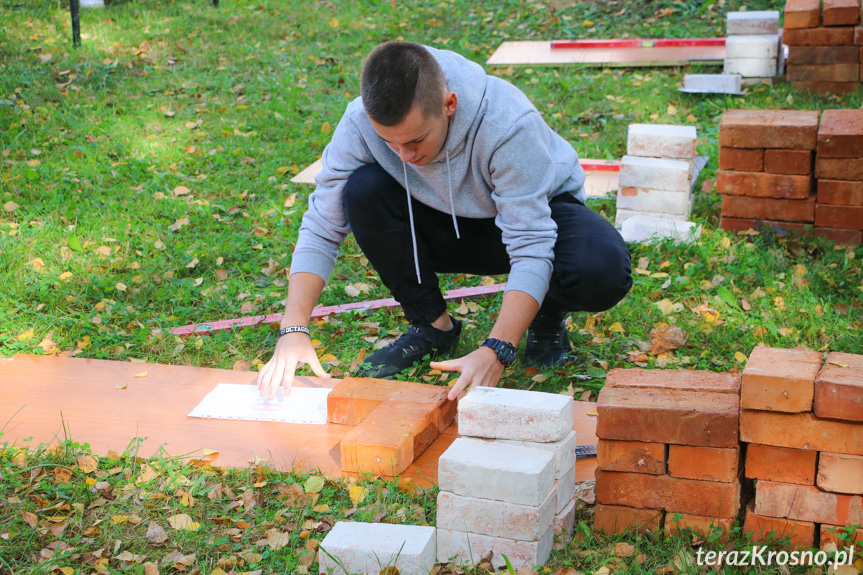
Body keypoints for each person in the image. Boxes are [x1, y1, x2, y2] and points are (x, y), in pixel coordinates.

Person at [256, 41, 632, 403]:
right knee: (362, 190)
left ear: (448, 104)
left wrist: (497, 348)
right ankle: (432, 328)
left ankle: (545, 311)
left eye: (416, 140)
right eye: (390, 143)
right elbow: (322, 225)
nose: (404, 156)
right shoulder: (359, 123)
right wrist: (293, 329)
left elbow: (532, 244)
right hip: (439, 220)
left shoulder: (506, 123)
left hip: (535, 215)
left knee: (601, 267)